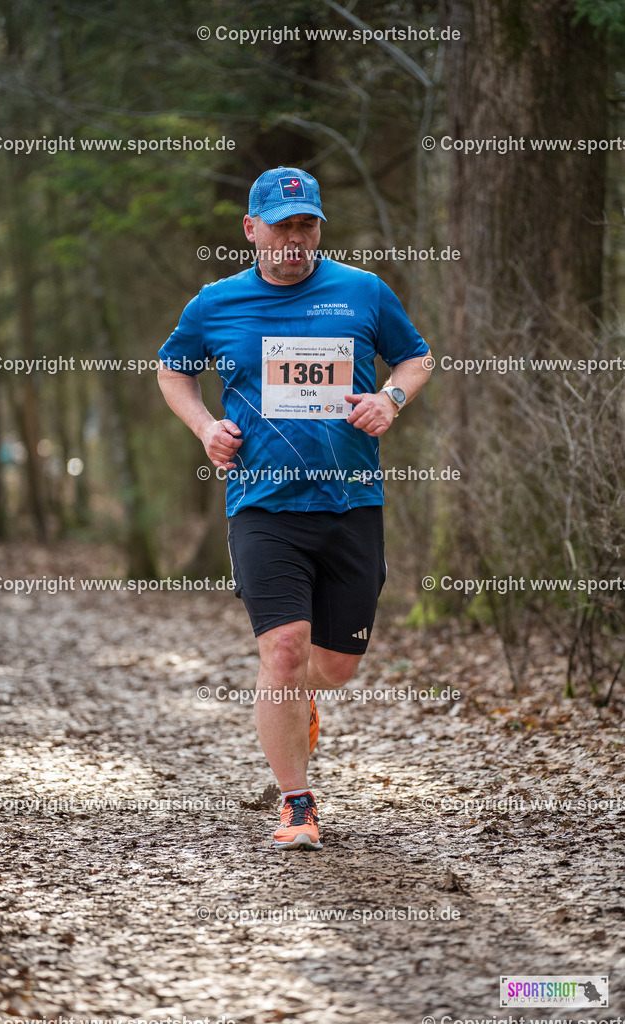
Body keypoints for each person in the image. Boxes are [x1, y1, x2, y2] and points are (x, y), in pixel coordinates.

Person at [157, 166, 431, 850]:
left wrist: (388, 399)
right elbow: (171, 369)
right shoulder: (215, 304)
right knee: (281, 650)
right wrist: (203, 428)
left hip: (350, 504)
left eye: (306, 225)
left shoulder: (361, 291)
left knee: (333, 666)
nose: (294, 240)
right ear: (251, 230)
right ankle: (297, 803)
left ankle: (295, 698)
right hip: (263, 506)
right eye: (280, 228)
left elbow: (416, 359)